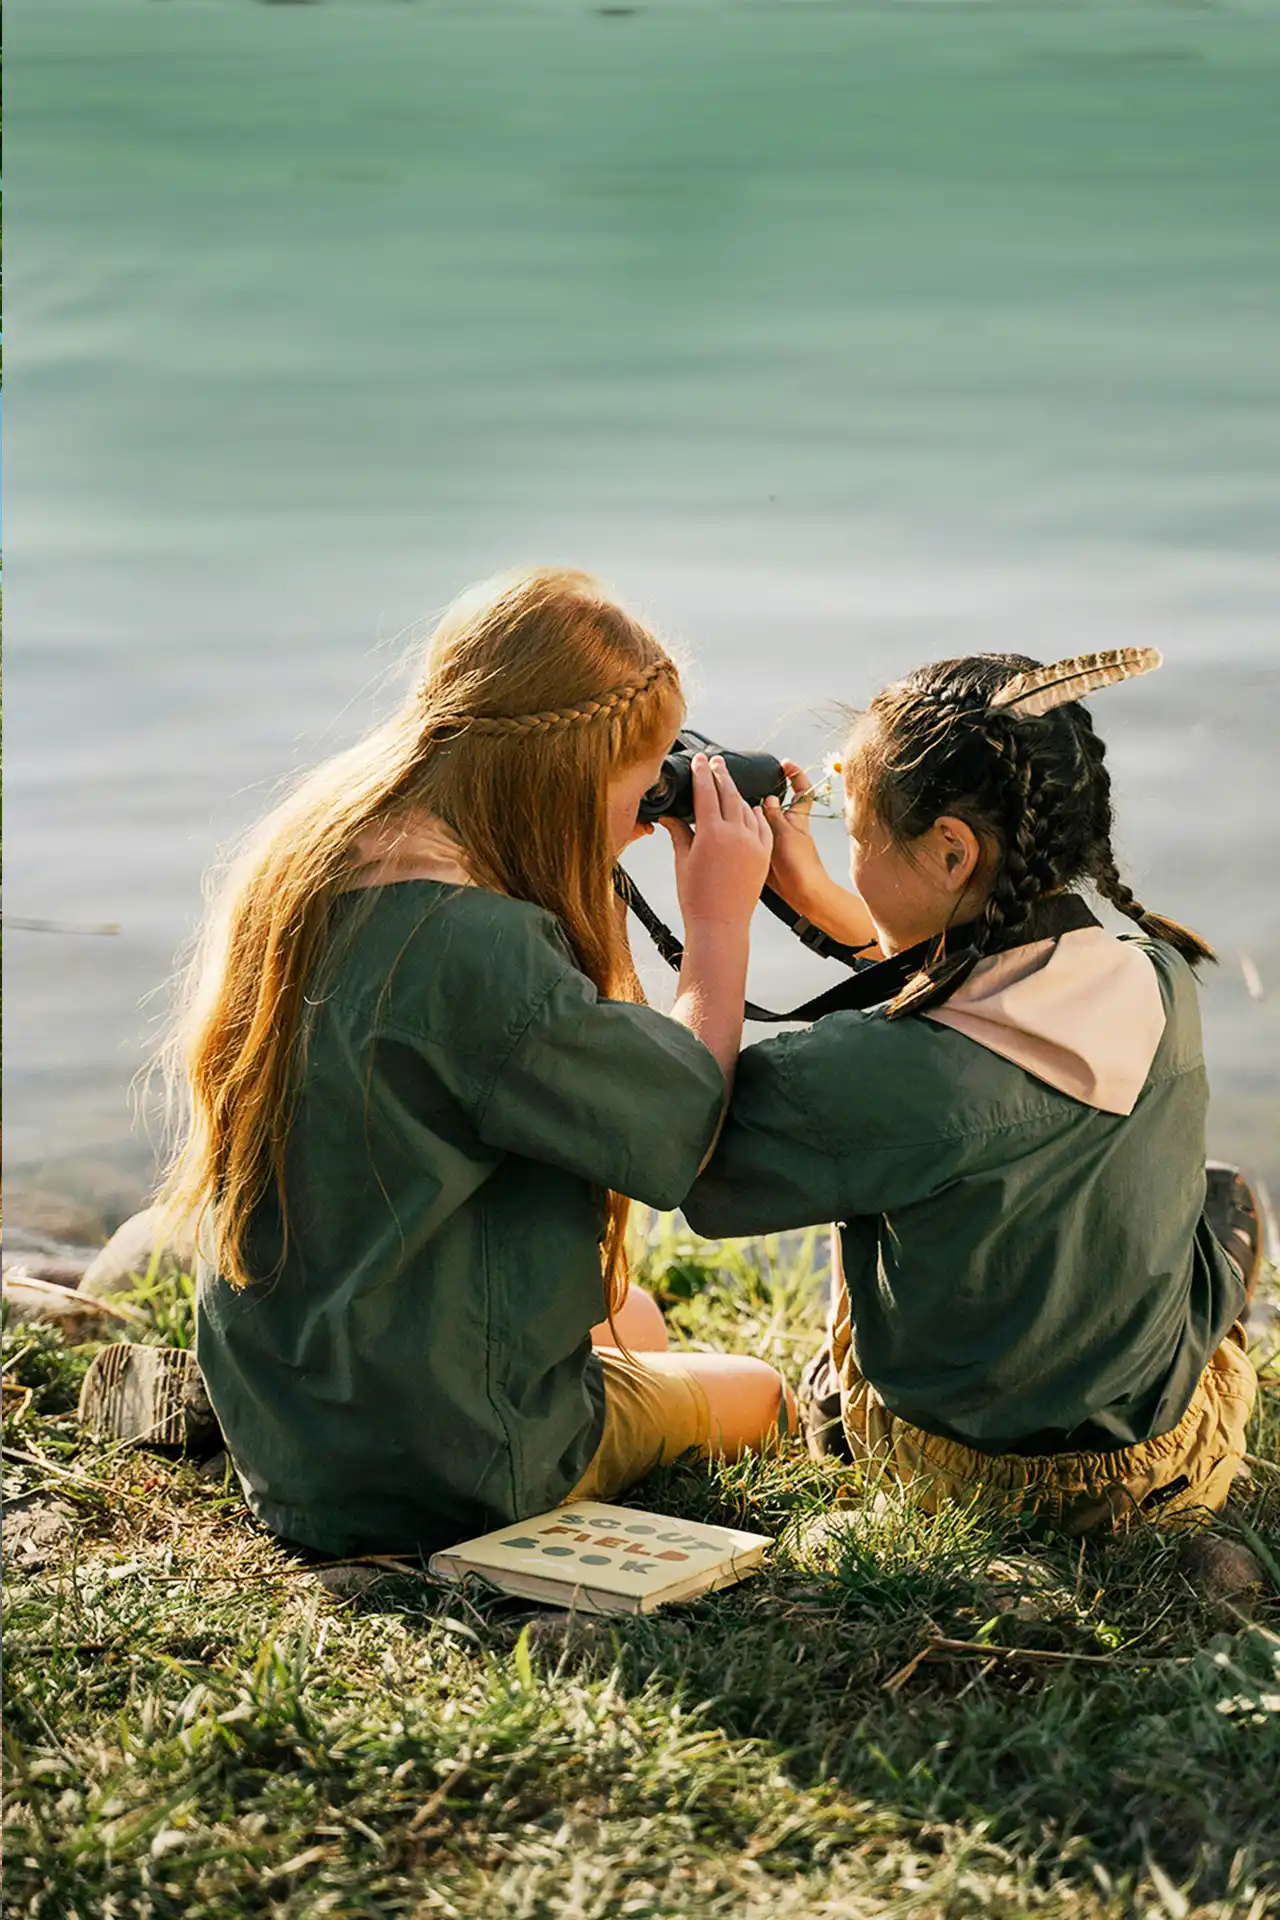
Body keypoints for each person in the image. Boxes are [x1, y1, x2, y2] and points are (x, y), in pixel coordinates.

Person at [153, 567, 792, 1558]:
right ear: (563, 774)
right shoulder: (478, 951)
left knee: (640, 1320)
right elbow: (679, 1123)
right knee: (756, 1393)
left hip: (291, 1418)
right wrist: (715, 920)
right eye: (639, 779)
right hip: (446, 1468)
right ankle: (558, 1450)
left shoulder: (309, 854)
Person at [683, 648, 1259, 1533]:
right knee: (1216, 1198)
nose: (851, 859)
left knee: (866, 1176)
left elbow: (686, 1148)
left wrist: (716, 922)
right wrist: (813, 895)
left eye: (856, 836)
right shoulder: (1155, 982)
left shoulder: (869, 1077)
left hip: (951, 1475)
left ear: (952, 851)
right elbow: (983, 1003)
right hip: (1165, 1459)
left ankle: (840, 1408)